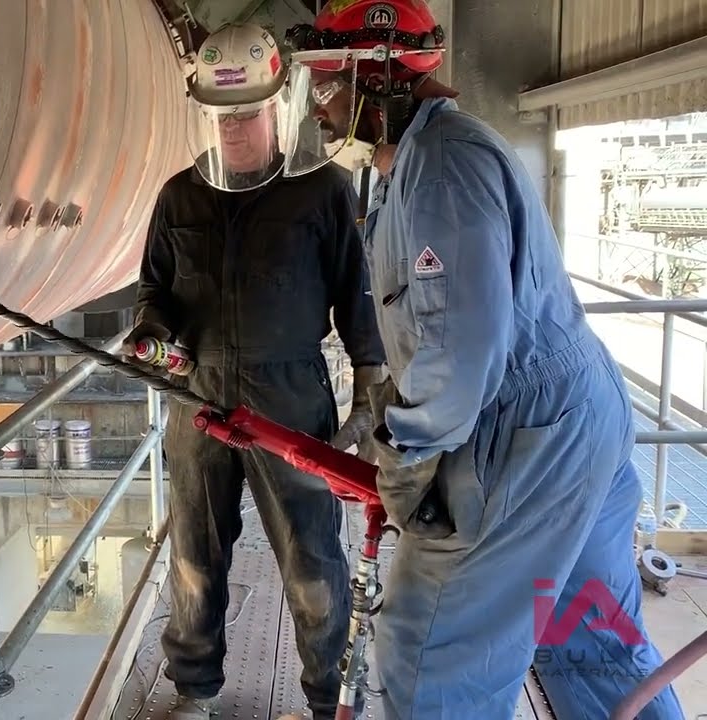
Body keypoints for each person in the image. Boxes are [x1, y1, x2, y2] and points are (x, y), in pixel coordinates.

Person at [278, 2, 686, 718]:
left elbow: (458, 353)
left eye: (326, 87)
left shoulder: (441, 171)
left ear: (378, 80)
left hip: (521, 442)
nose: (320, 108)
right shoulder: (428, 158)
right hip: (569, 429)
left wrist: (404, 456)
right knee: (584, 633)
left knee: (433, 656)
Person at [121, 21, 388, 720]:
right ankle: (193, 690)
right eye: (219, 117)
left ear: (277, 107)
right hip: (197, 393)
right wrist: (151, 328)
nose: (232, 130)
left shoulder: (325, 192)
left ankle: (327, 698)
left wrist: (370, 389)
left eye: (244, 115)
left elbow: (357, 296)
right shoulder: (180, 196)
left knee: (312, 561)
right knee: (195, 553)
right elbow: (155, 288)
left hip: (290, 395)